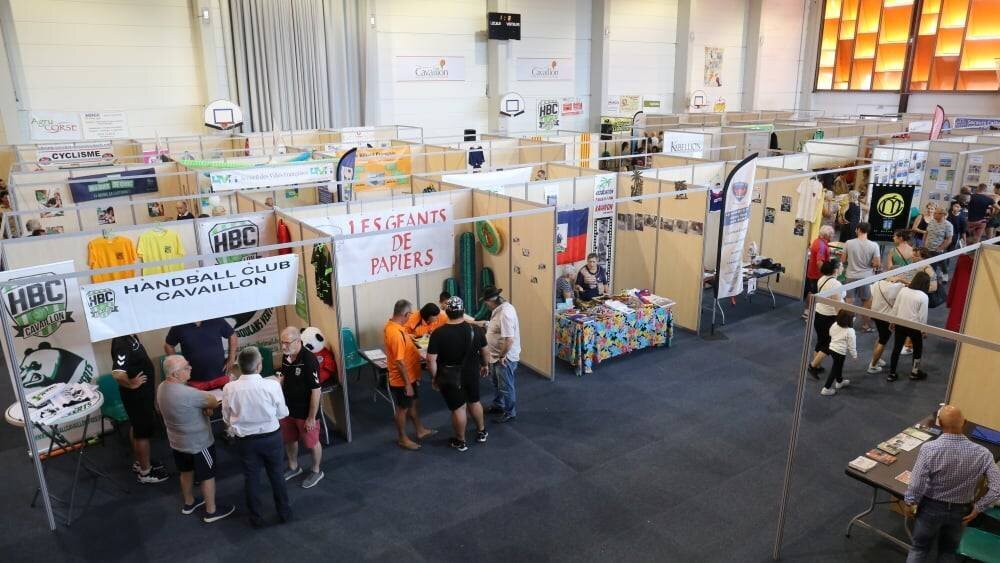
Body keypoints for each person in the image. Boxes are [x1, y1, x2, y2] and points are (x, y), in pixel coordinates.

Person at [904, 404, 1000, 563]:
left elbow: (916, 484)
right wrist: (978, 508)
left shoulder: (929, 449)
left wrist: (910, 502)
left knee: (919, 549)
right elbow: (997, 487)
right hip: (961, 512)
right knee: (948, 552)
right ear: (965, 422)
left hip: (930, 508)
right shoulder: (983, 453)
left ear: (940, 424)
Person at [157, 355, 234, 523]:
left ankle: (189, 502)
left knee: (185, 472)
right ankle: (211, 512)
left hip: (177, 443)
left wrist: (203, 409)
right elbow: (213, 401)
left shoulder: (161, 388)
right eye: (186, 367)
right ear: (176, 374)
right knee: (207, 475)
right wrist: (206, 408)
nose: (190, 368)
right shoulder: (190, 394)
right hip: (199, 443)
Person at [222, 347, 292, 527]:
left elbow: (226, 417)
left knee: (251, 478)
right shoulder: (272, 385)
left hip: (245, 442)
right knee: (277, 475)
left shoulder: (229, 388)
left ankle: (256, 518)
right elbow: (282, 413)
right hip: (271, 438)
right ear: (259, 366)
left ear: (239, 366)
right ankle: (284, 513)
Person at [426, 296, 490, 452]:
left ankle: (460, 441)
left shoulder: (438, 334)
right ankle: (482, 432)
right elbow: (485, 350)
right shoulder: (475, 329)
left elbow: (430, 360)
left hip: (450, 375)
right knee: (474, 401)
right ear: (463, 311)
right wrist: (485, 365)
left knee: (459, 409)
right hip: (472, 372)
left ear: (446, 312)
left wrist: (435, 377)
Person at [111, 334, 168, 484]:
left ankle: (140, 462)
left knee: (137, 429)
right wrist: (131, 384)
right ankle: (145, 473)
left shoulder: (131, 336)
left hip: (143, 394)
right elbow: (117, 373)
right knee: (142, 433)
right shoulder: (121, 342)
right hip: (137, 396)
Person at [384, 299, 435, 450]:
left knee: (412, 403)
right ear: (405, 314)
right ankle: (402, 438)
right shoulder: (395, 333)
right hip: (402, 380)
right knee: (402, 408)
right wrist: (407, 384)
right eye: (409, 314)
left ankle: (419, 430)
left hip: (410, 376)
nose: (410, 317)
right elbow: (399, 362)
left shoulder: (394, 326)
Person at [277, 327, 324, 489]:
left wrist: (311, 417)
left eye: (286, 343)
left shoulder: (309, 360)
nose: (283, 347)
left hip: (305, 411)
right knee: (289, 439)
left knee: (311, 443)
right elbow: (283, 376)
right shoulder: (286, 355)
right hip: (288, 409)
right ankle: (293, 466)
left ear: (298, 341)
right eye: (281, 343)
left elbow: (316, 391)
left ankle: (316, 470)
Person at [482, 286, 520, 423]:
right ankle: (498, 405)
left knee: (505, 385)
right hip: (497, 356)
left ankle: (510, 412)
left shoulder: (505, 314)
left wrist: (502, 356)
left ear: (491, 301)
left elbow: (509, 339)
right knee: (497, 383)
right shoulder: (502, 309)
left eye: (486, 303)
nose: (485, 306)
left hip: (504, 358)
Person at [165, 319, 238, 390]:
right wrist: (178, 367)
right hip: (194, 380)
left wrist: (231, 358)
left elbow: (232, 335)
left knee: (224, 401)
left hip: (221, 375)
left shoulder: (215, 318)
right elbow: (168, 345)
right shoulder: (179, 325)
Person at [887, 271, 930, 382]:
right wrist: (924, 330)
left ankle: (891, 373)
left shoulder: (903, 290)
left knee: (896, 348)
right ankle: (914, 372)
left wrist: (892, 321)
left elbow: (896, 307)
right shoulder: (924, 296)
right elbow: (922, 316)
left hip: (900, 323)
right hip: (914, 327)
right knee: (917, 349)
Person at [807, 260, 844, 377]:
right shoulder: (835, 284)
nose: (843, 267)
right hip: (829, 317)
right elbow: (837, 304)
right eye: (841, 266)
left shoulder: (822, 279)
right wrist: (842, 321)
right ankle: (813, 366)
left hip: (819, 314)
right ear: (836, 270)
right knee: (829, 344)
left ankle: (817, 366)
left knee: (821, 341)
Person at [843, 222, 881, 332]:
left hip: (850, 275)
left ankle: (846, 325)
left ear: (858, 230)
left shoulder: (848, 243)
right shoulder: (874, 245)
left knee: (849, 301)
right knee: (866, 302)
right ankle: (866, 325)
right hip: (866, 277)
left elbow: (843, 260)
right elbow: (876, 264)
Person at [865, 278, 904, 374]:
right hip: (886, 317)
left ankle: (876, 359)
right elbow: (913, 284)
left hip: (876, 314)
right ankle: (873, 365)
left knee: (881, 337)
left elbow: (870, 298)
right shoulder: (897, 286)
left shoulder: (877, 283)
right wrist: (902, 279)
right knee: (883, 341)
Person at [821, 310, 856, 396]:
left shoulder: (835, 324)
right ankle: (826, 388)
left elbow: (830, 333)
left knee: (838, 366)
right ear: (850, 321)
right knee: (835, 368)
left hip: (832, 349)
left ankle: (839, 382)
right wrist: (854, 355)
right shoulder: (850, 331)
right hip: (840, 353)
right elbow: (852, 345)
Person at [804, 225, 835, 318]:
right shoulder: (821, 245)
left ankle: (807, 311)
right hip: (817, 274)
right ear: (826, 235)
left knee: (811, 292)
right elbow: (819, 262)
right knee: (816, 294)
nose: (832, 236)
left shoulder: (817, 241)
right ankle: (811, 314)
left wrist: (830, 251)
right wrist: (826, 275)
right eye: (831, 234)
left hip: (811, 272)